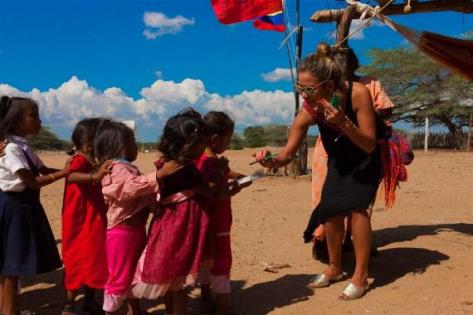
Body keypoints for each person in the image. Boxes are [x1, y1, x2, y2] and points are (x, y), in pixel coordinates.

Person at [256, 47, 386, 300]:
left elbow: (370, 143)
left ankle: (360, 275)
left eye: (309, 88)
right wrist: (271, 161)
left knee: (358, 210)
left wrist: (344, 123)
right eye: (299, 88)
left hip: (366, 159)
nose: (303, 94)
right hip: (339, 162)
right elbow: (288, 153)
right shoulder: (309, 109)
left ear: (328, 85)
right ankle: (335, 267)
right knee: (331, 209)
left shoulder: (357, 94)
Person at [132, 108, 222, 315]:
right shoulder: (186, 169)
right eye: (201, 143)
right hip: (182, 227)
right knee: (179, 278)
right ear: (188, 144)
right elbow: (207, 191)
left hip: (166, 224)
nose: (203, 148)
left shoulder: (166, 163)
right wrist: (218, 173)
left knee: (170, 279)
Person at [311, 43, 395, 253]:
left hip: (363, 145)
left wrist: (358, 116)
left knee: (360, 201)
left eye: (344, 61)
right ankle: (325, 239)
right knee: (327, 195)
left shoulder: (368, 84)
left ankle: (353, 240)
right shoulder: (322, 85)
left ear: (352, 63)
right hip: (330, 148)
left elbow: (385, 113)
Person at [94, 119, 182, 315]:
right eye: (134, 141)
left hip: (134, 231)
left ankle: (134, 310)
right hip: (121, 233)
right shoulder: (116, 168)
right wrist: (157, 176)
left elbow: (144, 194)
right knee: (118, 278)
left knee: (132, 275)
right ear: (122, 145)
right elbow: (129, 188)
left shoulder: (130, 168)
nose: (137, 145)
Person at [0, 96, 67, 315]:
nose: (39, 121)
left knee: (10, 264)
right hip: (14, 208)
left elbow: (43, 169)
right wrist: (65, 173)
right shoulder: (11, 149)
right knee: (12, 266)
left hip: (21, 207)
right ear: (17, 120)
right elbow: (32, 181)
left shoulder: (23, 146)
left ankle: (7, 309)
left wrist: (72, 168)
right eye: (34, 116)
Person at [196, 111, 250, 315]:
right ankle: (223, 306)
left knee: (204, 260)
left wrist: (235, 174)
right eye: (228, 139)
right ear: (216, 139)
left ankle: (204, 298)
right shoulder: (213, 163)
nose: (228, 143)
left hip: (201, 222)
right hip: (218, 222)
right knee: (221, 261)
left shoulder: (198, 159)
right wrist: (234, 188)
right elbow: (215, 192)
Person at [61, 118, 113, 315]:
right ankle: (69, 304)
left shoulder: (93, 160)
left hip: (94, 218)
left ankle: (89, 300)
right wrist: (94, 176)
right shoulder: (78, 160)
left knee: (94, 257)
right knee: (76, 259)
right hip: (80, 220)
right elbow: (71, 175)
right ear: (89, 141)